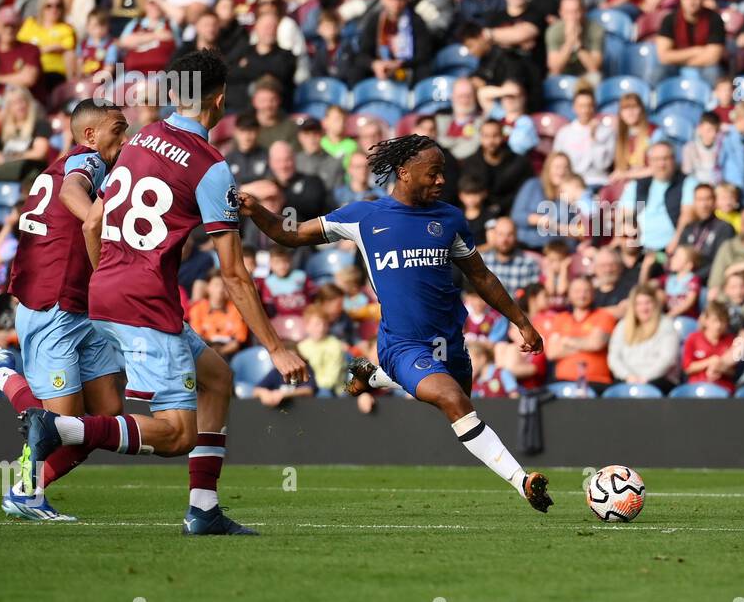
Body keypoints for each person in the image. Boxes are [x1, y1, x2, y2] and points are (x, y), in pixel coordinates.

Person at [16, 52, 309, 536]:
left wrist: (106, 275)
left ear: (174, 95)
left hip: (106, 288)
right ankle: (61, 428)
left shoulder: (139, 139)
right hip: (145, 299)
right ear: (219, 101)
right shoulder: (212, 168)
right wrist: (276, 348)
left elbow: (95, 220)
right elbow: (233, 274)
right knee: (177, 434)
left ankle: (204, 509)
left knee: (216, 378)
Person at [236, 133, 554, 512]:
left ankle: (372, 377)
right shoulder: (363, 216)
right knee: (453, 400)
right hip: (401, 342)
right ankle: (523, 482)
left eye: (443, 174)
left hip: (449, 339)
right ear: (403, 172)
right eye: (433, 173)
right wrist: (256, 210)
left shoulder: (450, 218)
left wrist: (522, 321)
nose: (441, 181)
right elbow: (290, 234)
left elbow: (481, 276)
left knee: (457, 393)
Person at [0, 100, 129, 520]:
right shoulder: (89, 163)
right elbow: (74, 195)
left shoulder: (59, 166)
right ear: (89, 136)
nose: (125, 138)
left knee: (106, 417)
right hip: (57, 308)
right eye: (117, 130)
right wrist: (95, 225)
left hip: (80, 305)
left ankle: (25, 490)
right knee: (62, 426)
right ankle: (1, 373)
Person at [608, 283, 679, 390]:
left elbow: (667, 358)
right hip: (627, 379)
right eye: (639, 304)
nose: (643, 308)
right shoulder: (623, 325)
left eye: (647, 303)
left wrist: (645, 378)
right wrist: (628, 376)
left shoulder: (666, 324)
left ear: (655, 304)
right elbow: (614, 357)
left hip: (657, 379)